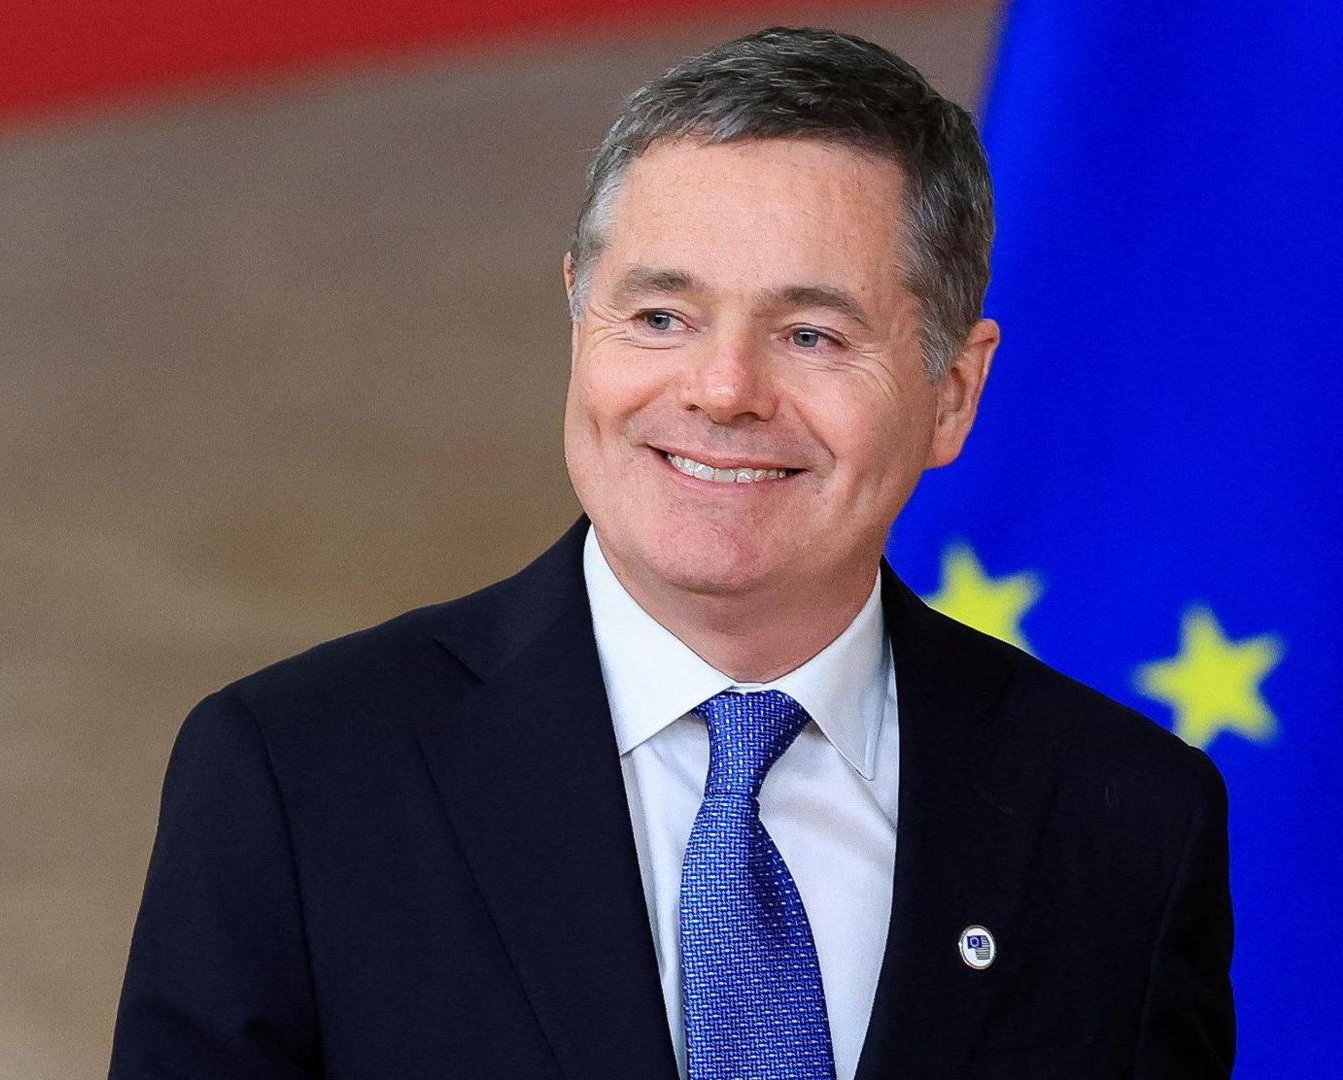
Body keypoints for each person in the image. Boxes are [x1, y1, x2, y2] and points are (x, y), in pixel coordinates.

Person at [110, 26, 1233, 1080]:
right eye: (660, 317)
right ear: (577, 319)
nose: (723, 390)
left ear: (952, 393)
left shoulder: (1124, 820)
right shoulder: (298, 778)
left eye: (811, 335)